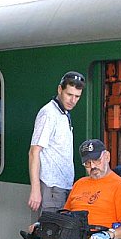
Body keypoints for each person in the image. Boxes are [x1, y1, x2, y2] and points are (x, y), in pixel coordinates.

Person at [28, 71, 85, 214]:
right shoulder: (48, 113)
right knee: (50, 232)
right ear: (60, 89)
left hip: (63, 186)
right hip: (51, 187)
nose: (73, 100)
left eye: (77, 96)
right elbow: (34, 151)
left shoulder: (64, 113)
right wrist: (35, 189)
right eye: (69, 95)